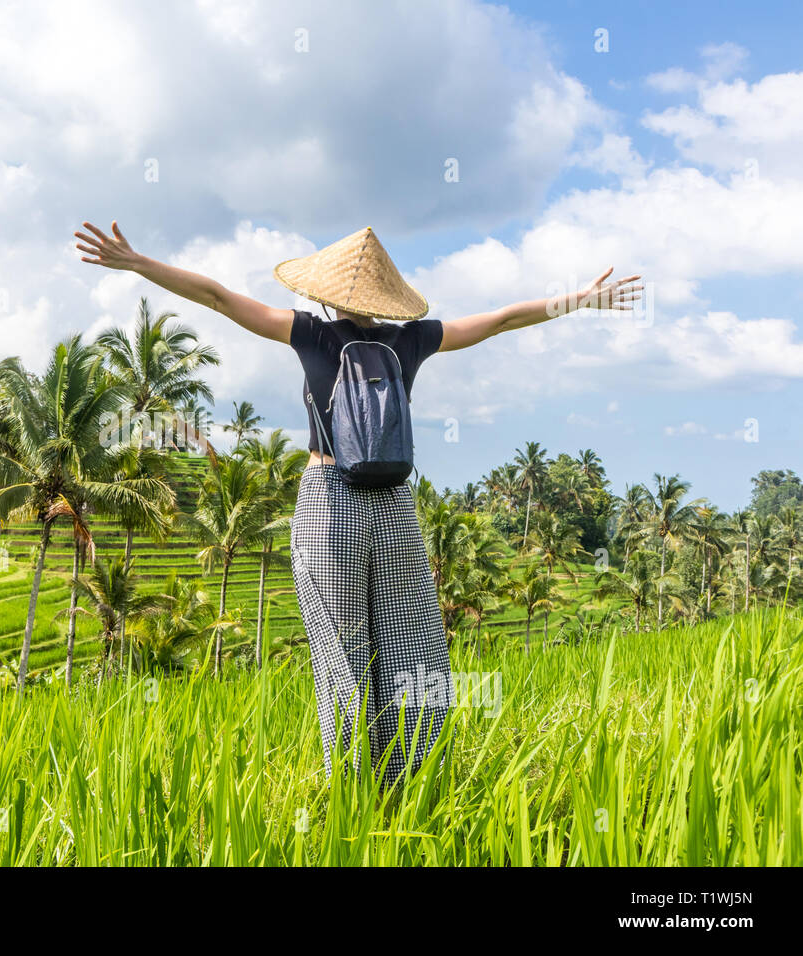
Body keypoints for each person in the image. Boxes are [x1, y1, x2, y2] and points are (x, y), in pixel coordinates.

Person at [75, 220, 642, 783]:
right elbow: (502, 320)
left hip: (328, 503)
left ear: (329, 291)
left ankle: (350, 790)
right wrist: (578, 300)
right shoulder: (411, 339)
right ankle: (417, 781)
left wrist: (139, 262)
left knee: (343, 654)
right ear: (386, 296)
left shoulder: (312, 334)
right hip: (396, 505)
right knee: (413, 646)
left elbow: (218, 297)